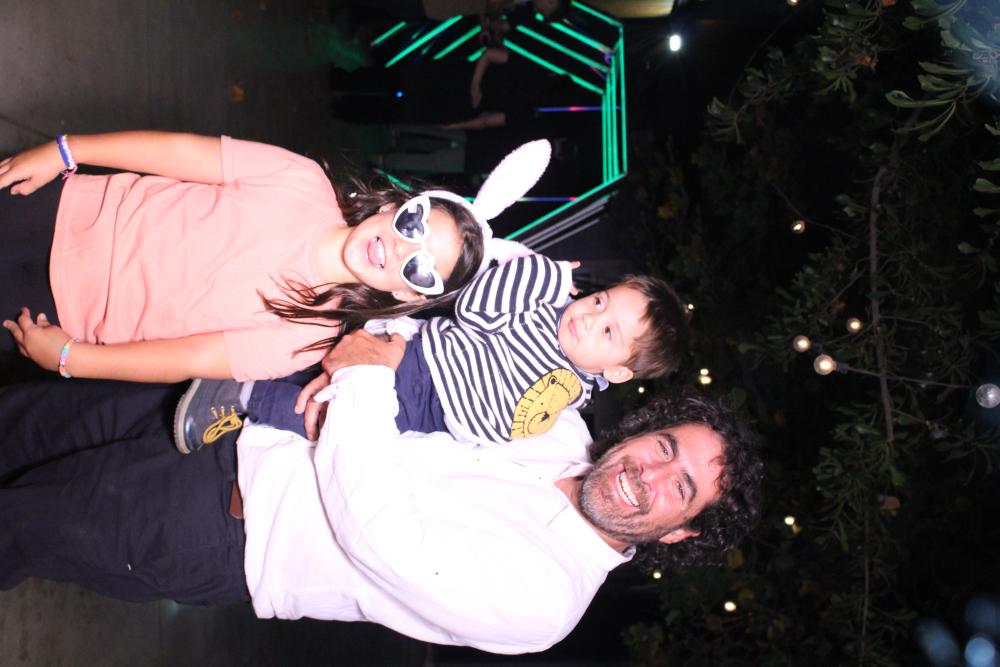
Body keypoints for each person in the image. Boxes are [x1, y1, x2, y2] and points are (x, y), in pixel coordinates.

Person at [0, 330, 763, 655]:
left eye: (681, 487)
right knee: (25, 419)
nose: (649, 472)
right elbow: (453, 360)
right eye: (666, 446)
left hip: (217, 524)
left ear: (680, 532)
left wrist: (364, 376)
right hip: (230, 410)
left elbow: (381, 535)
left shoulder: (548, 599)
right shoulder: (557, 426)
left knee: (16, 521)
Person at [0, 131, 485, 383]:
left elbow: (187, 357)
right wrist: (66, 150)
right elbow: (179, 153)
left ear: (405, 294)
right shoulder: (301, 180)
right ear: (393, 206)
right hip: (67, 211)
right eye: (414, 224)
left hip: (63, 310)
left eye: (420, 268)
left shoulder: (307, 337)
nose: (402, 247)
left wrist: (73, 359)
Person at [174, 252, 689, 452]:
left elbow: (503, 425)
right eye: (599, 301)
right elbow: (476, 311)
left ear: (617, 373)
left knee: (326, 421)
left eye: (609, 333)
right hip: (420, 366)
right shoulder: (544, 317)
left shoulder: (566, 391)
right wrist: (542, 276)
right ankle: (238, 369)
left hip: (427, 410)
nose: (590, 317)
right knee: (316, 362)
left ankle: (243, 396)